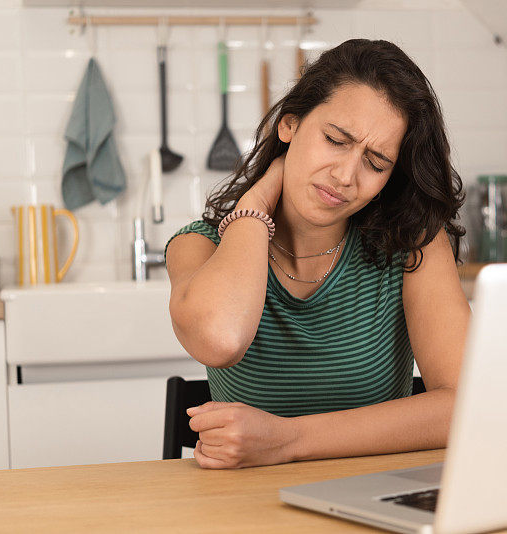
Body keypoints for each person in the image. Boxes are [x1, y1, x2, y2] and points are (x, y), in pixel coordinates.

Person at [164, 39, 470, 470]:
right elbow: (221, 339)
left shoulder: (412, 244)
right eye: (334, 140)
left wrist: (289, 440)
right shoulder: (200, 244)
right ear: (289, 126)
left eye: (376, 163)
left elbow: (465, 406)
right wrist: (257, 200)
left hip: (371, 500)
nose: (345, 176)